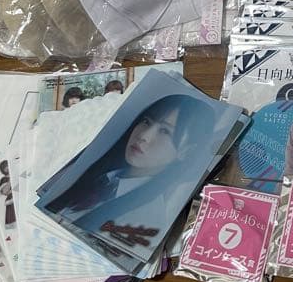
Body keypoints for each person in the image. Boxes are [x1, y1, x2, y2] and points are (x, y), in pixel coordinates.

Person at [44, 95, 214, 244]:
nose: (144, 136)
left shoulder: (147, 221)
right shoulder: (97, 175)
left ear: (186, 151)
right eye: (146, 121)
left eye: (165, 131)